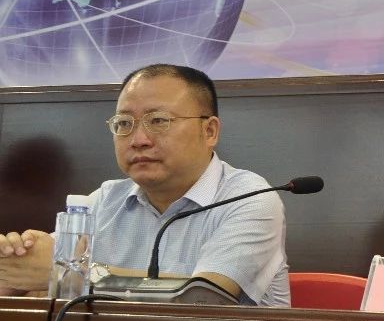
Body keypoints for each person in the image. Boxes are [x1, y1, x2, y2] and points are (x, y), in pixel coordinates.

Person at [0, 64, 291, 306]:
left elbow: (203, 297)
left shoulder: (250, 199)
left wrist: (76, 275)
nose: (138, 139)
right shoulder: (106, 199)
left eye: (159, 121)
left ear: (209, 131)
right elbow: (49, 268)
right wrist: (15, 271)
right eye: (124, 124)